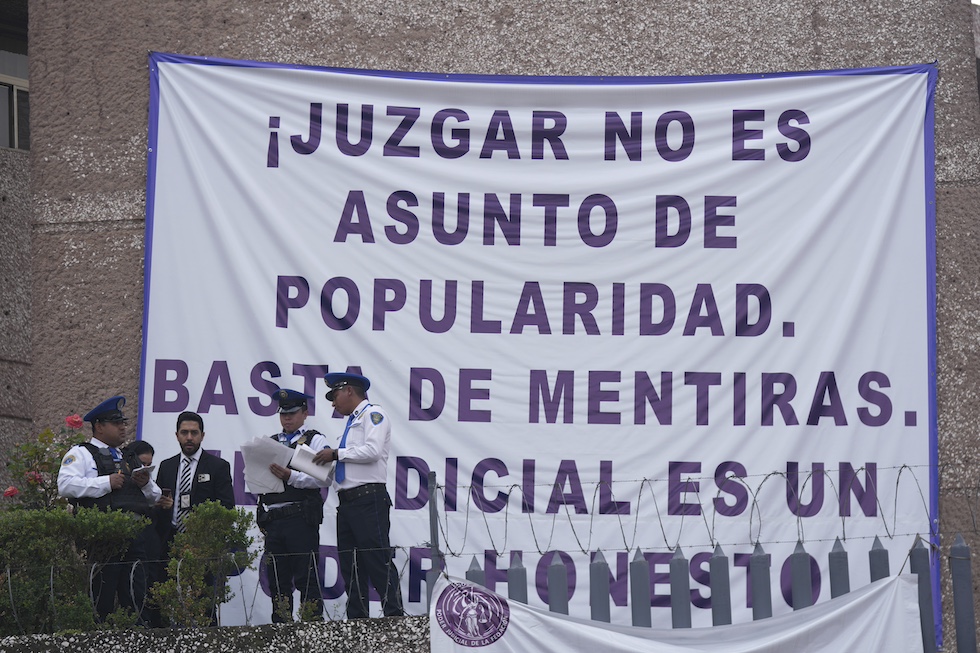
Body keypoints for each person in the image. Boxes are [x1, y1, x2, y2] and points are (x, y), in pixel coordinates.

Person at [57, 395, 162, 625]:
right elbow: (65, 485)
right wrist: (105, 483)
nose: (123, 427)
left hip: (135, 539)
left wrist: (145, 483)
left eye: (124, 423)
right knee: (101, 601)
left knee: (136, 598)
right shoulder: (82, 454)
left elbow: (155, 497)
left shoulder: (129, 457)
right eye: (117, 423)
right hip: (102, 541)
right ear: (99, 426)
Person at [313, 372, 404, 618]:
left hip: (368, 499)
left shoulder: (373, 415)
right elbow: (346, 464)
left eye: (334, 395)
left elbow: (372, 451)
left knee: (377, 559)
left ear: (349, 391)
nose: (333, 403)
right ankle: (357, 619)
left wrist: (336, 454)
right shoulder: (352, 422)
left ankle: (394, 615)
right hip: (348, 502)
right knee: (350, 565)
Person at [152, 411, 235, 625]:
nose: (189, 437)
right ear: (177, 435)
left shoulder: (218, 466)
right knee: (163, 600)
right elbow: (159, 506)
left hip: (202, 544)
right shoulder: (166, 466)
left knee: (204, 602)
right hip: (170, 540)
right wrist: (164, 507)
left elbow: (227, 507)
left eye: (194, 433)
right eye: (184, 432)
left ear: (202, 435)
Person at [255, 388, 329, 622]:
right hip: (274, 520)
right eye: (283, 414)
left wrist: (291, 477)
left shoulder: (315, 439)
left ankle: (312, 626)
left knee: (306, 577)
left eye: (293, 413)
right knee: (278, 580)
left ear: (305, 413)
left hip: (300, 518)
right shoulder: (271, 442)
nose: (287, 418)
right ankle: (281, 629)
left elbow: (323, 478)